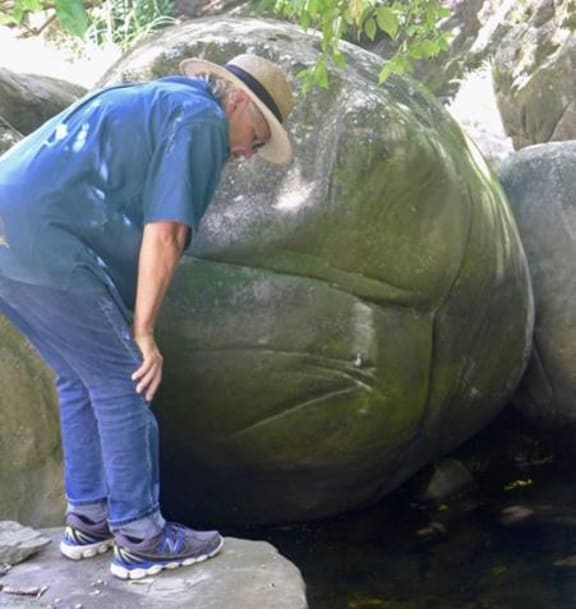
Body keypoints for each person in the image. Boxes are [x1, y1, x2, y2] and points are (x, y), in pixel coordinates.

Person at [0, 53, 294, 580]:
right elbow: (167, 232)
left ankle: (88, 521)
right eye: (259, 131)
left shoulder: (162, 101)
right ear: (239, 100)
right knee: (124, 380)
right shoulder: (202, 120)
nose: (252, 150)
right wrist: (144, 333)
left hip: (7, 233)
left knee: (80, 376)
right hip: (45, 240)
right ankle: (141, 536)